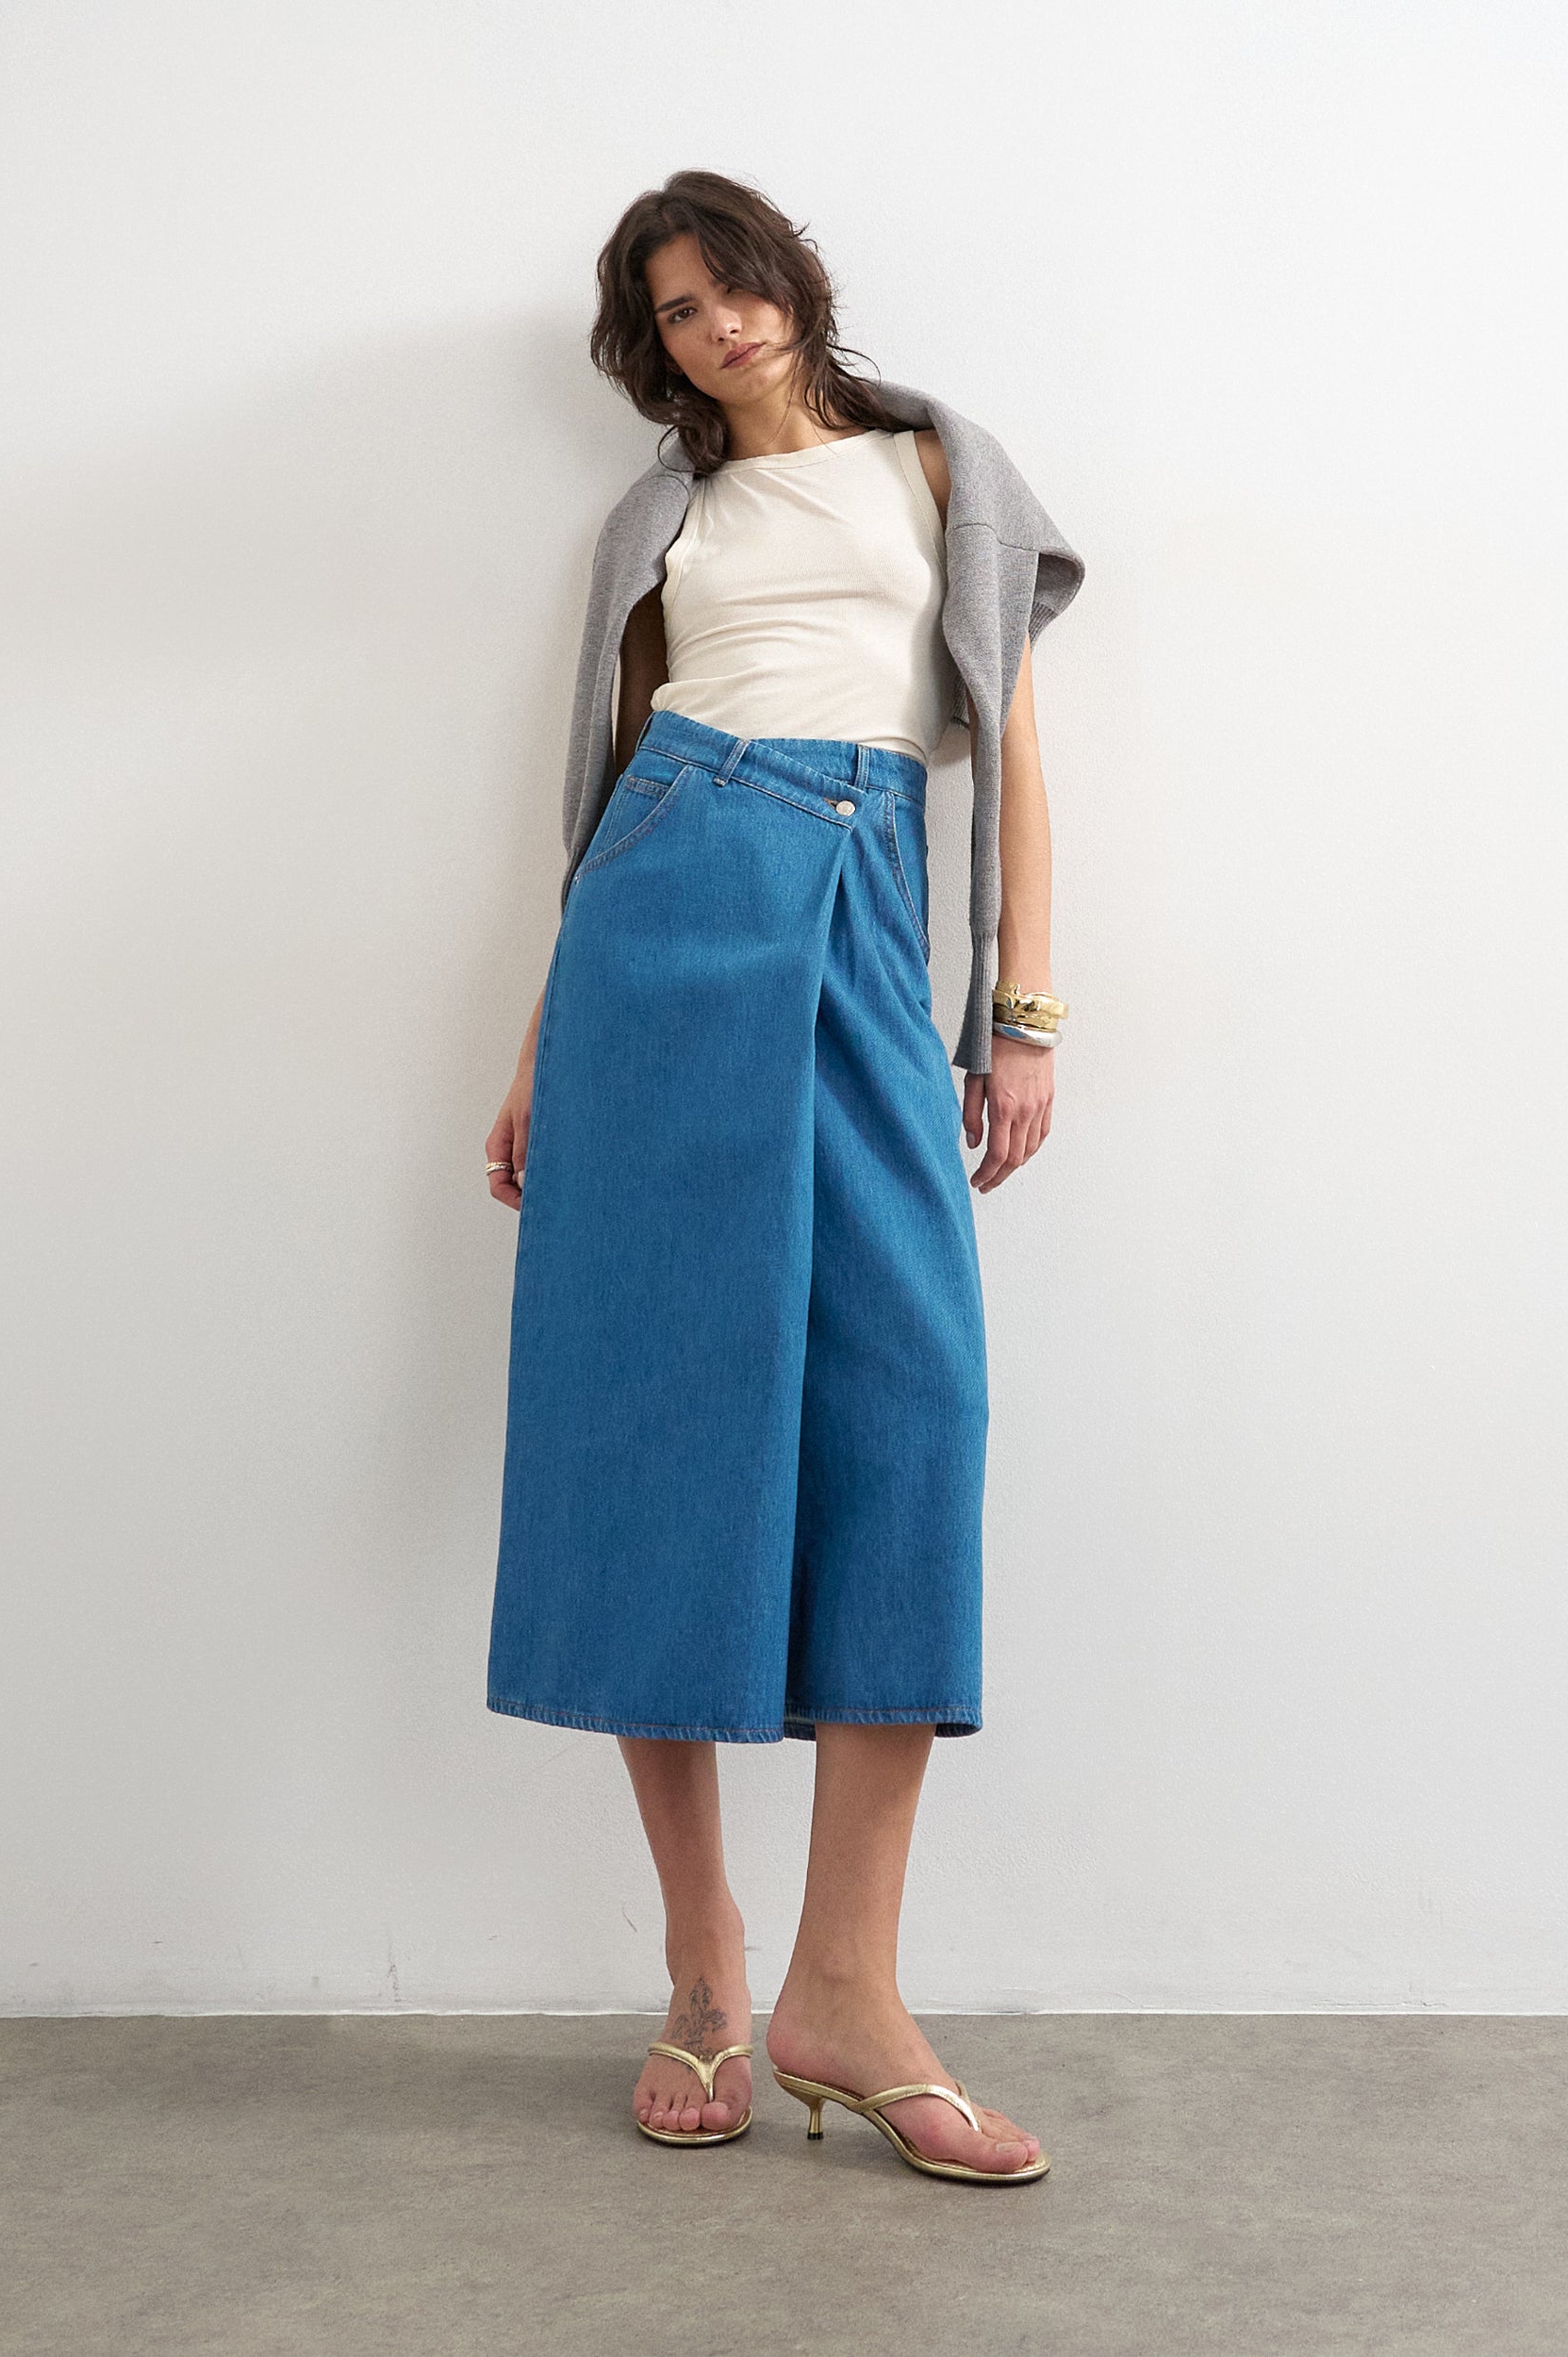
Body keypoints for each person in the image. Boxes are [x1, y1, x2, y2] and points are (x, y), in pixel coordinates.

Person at [484, 170, 1083, 2184]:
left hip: (861, 905)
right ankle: (704, 1962)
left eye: (730, 285)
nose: (716, 325)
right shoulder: (660, 523)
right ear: (649, 349)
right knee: (660, 1423)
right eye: (673, 312)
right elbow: (606, 796)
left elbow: (1011, 749)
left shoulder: (942, 471)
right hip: (663, 915)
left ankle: (850, 1983)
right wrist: (540, 1046)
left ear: (790, 283)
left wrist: (1021, 1010)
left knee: (912, 1411)